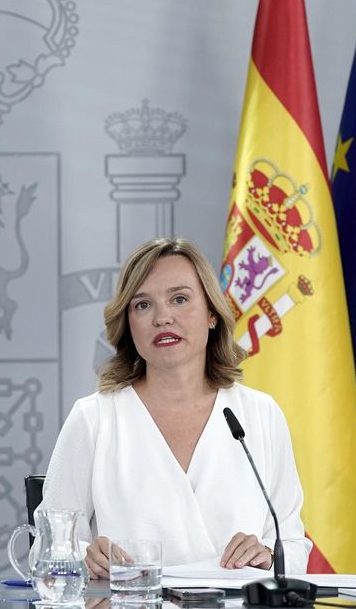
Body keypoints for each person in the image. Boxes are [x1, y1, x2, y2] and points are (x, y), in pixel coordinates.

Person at [38, 237, 311, 577]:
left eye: (179, 299)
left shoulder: (261, 414)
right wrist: (85, 557)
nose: (162, 317)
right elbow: (47, 550)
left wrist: (270, 555)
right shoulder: (94, 418)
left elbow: (294, 545)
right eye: (142, 305)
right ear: (128, 324)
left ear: (212, 314)